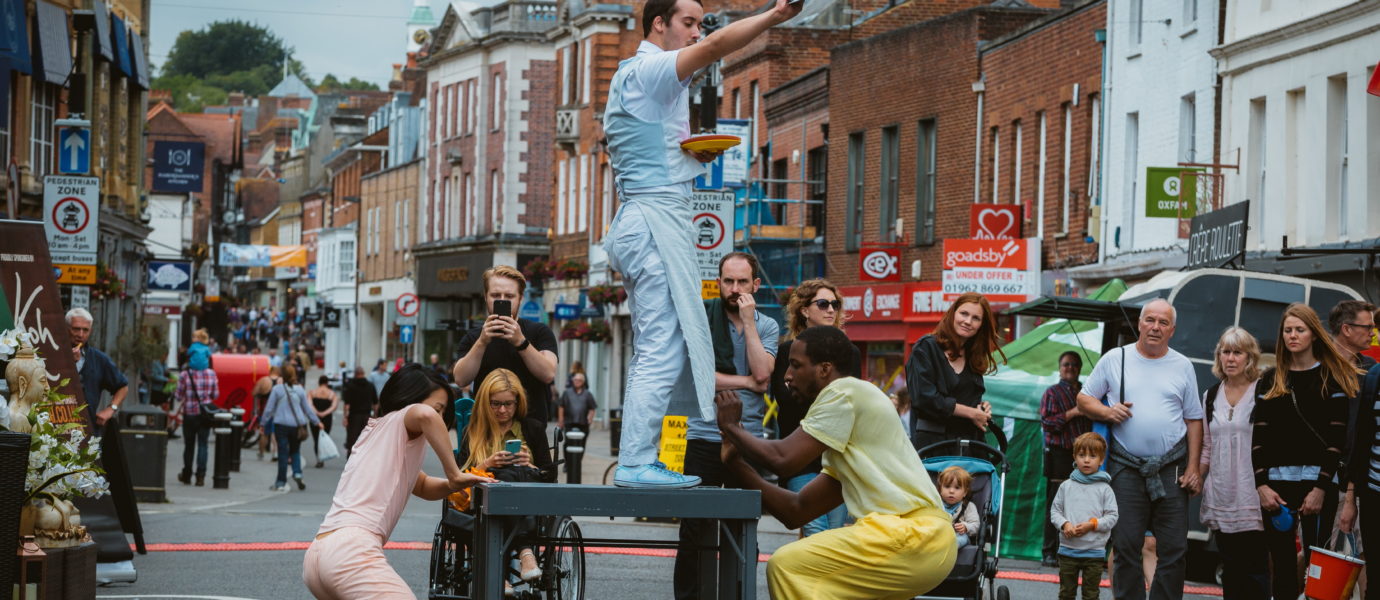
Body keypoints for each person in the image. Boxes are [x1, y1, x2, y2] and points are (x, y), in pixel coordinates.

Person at [603, 0, 803, 489]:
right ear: (658, 24)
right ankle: (634, 462)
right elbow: (716, 47)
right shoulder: (650, 70)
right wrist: (774, 17)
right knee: (661, 350)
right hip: (653, 220)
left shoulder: (643, 77)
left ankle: (637, 459)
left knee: (665, 344)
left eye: (698, 24)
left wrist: (688, 152)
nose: (697, 33)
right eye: (688, 23)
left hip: (649, 216)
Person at [716, 326, 955, 598]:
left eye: (796, 365)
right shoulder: (851, 443)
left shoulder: (843, 392)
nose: (787, 376)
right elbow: (796, 511)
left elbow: (782, 460)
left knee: (788, 565)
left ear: (824, 369)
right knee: (815, 580)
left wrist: (733, 427)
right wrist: (736, 463)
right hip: (930, 547)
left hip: (913, 535)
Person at [303, 364, 495, 598]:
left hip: (318, 554)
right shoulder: (406, 417)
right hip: (351, 550)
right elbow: (424, 414)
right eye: (439, 409)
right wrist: (454, 473)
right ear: (411, 397)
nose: (441, 417)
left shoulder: (379, 431)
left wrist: (454, 485)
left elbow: (421, 485)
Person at [1075, 298, 1202, 600]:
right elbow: (1084, 399)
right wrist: (1107, 413)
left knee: (1174, 548)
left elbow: (1194, 420)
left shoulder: (1183, 365)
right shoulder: (1115, 358)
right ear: (1140, 324)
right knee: (1126, 545)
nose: (1155, 327)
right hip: (1125, 468)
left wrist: (1194, 468)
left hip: (1172, 468)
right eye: (1150, 320)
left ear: (1172, 330)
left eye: (1163, 322)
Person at [674, 252, 779, 599]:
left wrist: (749, 323)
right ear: (718, 283)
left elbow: (763, 374)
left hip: (747, 442)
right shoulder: (701, 319)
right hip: (703, 437)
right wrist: (746, 383)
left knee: (742, 527)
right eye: (729, 282)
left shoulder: (766, 326)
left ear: (756, 285)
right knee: (693, 530)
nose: (735, 289)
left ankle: (736, 595)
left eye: (743, 282)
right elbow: (696, 378)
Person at [1252, 303, 1356, 600]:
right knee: (1282, 565)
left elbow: (1337, 440)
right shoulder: (1271, 379)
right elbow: (1258, 437)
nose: (1293, 336)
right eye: (1288, 330)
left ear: (1313, 334)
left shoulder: (1331, 377)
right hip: (1276, 486)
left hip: (1316, 484)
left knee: (1317, 566)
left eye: (1300, 330)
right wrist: (1262, 485)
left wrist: (1321, 488)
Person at [457, 368, 553, 593]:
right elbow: (458, 475)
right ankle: (525, 551)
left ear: (517, 402)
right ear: (484, 403)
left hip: (526, 497)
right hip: (482, 505)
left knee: (514, 473)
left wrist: (530, 465)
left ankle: (501, 571)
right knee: (503, 477)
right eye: (495, 403)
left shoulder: (532, 429)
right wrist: (486, 464)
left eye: (508, 404)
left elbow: (550, 475)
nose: (502, 410)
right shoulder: (473, 431)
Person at [771, 278, 851, 537]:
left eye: (835, 304)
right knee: (816, 531)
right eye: (823, 304)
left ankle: (816, 579)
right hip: (801, 457)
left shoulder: (847, 353)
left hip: (837, 460)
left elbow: (851, 406)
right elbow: (787, 402)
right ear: (805, 310)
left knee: (834, 534)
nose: (831, 310)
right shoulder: (786, 352)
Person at [1198, 326, 1268, 599]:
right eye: (1225, 352)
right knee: (1231, 570)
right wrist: (1197, 478)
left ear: (1249, 357)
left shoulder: (1263, 392)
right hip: (1222, 494)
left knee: (1256, 571)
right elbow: (1206, 445)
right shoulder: (1211, 396)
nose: (1230, 358)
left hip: (1253, 494)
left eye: (1237, 352)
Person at [452, 266, 559, 425]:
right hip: (486, 429)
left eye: (509, 296)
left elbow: (548, 374)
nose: (502, 300)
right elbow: (461, 379)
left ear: (520, 298)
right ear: (485, 297)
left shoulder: (539, 332)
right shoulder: (474, 337)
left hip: (531, 431)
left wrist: (521, 342)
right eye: (495, 295)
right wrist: (482, 342)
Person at [905, 292, 1006, 450]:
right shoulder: (926, 347)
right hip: (933, 445)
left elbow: (969, 398)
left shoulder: (974, 356)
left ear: (981, 325)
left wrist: (980, 408)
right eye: (964, 314)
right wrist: (971, 413)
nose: (968, 321)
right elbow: (924, 398)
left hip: (970, 445)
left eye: (976, 318)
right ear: (953, 313)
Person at [1050, 432, 1119, 600]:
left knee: (1091, 594)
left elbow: (1112, 516)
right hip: (1068, 551)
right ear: (1074, 457)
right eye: (1082, 455)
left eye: (1093, 456)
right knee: (1066, 593)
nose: (1087, 460)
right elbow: (1055, 511)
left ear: (1101, 460)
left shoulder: (1105, 489)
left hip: (1094, 552)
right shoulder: (1066, 486)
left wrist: (1093, 524)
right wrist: (1065, 524)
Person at [1039, 350, 1092, 567]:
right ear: (1060, 369)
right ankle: (1049, 552)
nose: (1069, 368)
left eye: (1073, 364)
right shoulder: (1052, 392)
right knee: (1057, 505)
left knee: (1082, 506)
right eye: (1065, 364)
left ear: (1079, 368)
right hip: (1060, 455)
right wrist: (1073, 412)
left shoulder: (1087, 392)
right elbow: (1047, 423)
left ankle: (1072, 553)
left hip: (1085, 457)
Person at [67, 308, 130, 427]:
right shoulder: (53, 354)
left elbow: (123, 387)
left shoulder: (99, 359)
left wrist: (111, 408)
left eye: (85, 330)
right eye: (76, 329)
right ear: (67, 328)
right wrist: (69, 362)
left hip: (87, 428)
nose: (81, 334)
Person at [263, 365, 323, 491]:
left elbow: (269, 409)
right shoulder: (300, 390)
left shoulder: (277, 390)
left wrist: (263, 423)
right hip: (297, 425)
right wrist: (317, 421)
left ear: (282, 376)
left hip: (281, 425)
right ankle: (297, 473)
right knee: (295, 451)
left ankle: (280, 482)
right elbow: (307, 408)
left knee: (283, 453)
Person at [173, 359, 219, 487]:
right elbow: (215, 394)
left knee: (189, 445)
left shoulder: (185, 374)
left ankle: (187, 475)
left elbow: (178, 396)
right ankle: (200, 477)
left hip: (190, 414)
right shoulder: (211, 373)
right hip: (205, 415)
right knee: (203, 444)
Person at [557, 372, 596, 474]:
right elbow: (561, 406)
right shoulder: (567, 393)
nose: (577, 382)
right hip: (569, 423)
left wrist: (590, 418)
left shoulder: (587, 394)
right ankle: (567, 463)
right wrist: (560, 421)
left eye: (579, 380)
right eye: (575, 380)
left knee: (582, 445)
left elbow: (592, 408)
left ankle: (577, 463)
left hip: (583, 424)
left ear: (583, 382)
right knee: (567, 444)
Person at [938, 465, 980, 548]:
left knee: (962, 538)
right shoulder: (937, 504)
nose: (951, 491)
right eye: (947, 486)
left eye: (957, 488)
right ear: (940, 489)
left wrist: (966, 527)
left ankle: (950, 547)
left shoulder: (969, 506)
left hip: (958, 536)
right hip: (939, 534)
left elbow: (975, 524)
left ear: (965, 492)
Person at [341, 366, 379, 458]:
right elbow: (375, 404)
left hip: (354, 417)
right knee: (365, 440)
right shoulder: (370, 386)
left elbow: (347, 404)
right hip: (366, 416)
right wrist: (374, 416)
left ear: (355, 374)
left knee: (352, 441)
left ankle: (350, 461)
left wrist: (345, 417)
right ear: (363, 373)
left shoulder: (350, 386)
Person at [1330, 300, 1378, 370]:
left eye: (1373, 327)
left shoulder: (1370, 365)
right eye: (1368, 327)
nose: (1373, 334)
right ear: (1346, 330)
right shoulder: (1318, 364)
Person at [310, 375, 340, 468]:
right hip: (327, 418)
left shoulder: (312, 392)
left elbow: (309, 405)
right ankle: (322, 457)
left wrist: (317, 412)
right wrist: (325, 413)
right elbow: (334, 406)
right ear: (327, 383)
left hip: (315, 418)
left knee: (316, 439)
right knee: (323, 437)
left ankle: (318, 459)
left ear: (319, 382)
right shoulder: (332, 394)